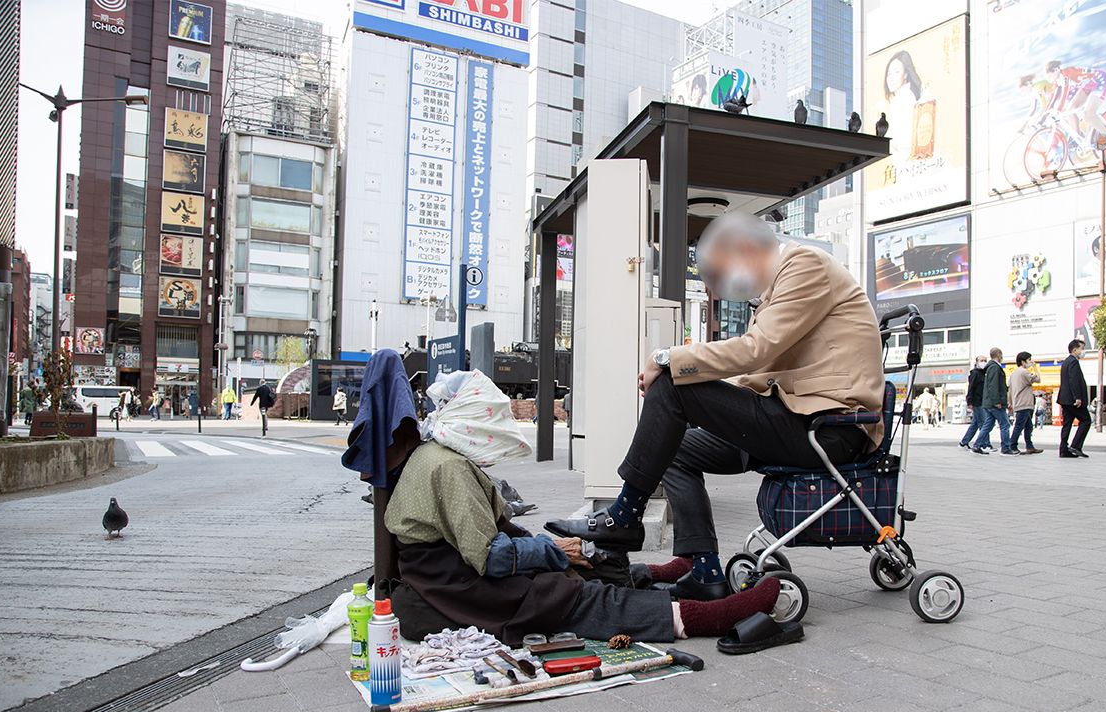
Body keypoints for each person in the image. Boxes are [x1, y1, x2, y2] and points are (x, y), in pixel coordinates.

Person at [545, 212, 884, 601]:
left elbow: (756, 351)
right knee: (675, 446)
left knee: (673, 383)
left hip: (829, 428)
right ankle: (703, 571)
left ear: (746, 249)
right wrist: (702, 400)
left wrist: (668, 358)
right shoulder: (777, 288)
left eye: (723, 274)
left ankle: (622, 518)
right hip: (796, 419)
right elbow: (754, 373)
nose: (724, 287)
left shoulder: (805, 266)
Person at [385, 371, 781, 646]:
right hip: (456, 584)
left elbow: (497, 536)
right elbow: (489, 557)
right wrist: (553, 550)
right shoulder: (448, 467)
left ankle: (655, 574)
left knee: (578, 565)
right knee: (568, 596)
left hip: (452, 571)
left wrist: (557, 549)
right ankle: (707, 617)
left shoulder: (440, 456)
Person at [973, 348, 1014, 455]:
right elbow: (993, 386)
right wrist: (997, 401)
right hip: (994, 403)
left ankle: (977, 445)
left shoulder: (991, 368)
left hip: (988, 402)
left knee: (988, 425)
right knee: (1005, 424)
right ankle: (1005, 448)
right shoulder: (994, 368)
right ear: (999, 355)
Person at [1058, 339, 1091, 458]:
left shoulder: (1066, 362)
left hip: (1065, 399)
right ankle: (1075, 446)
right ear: (1074, 350)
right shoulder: (1073, 362)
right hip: (1072, 400)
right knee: (1086, 420)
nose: (1083, 351)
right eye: (1081, 348)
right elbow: (1073, 381)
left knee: (1067, 424)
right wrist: (1077, 397)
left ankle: (1063, 449)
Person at [1008, 352, 1043, 454]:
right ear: (1023, 361)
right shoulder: (1024, 372)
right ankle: (1012, 446)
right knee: (1019, 426)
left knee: (1028, 426)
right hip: (1024, 403)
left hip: (1018, 403)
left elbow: (1009, 390)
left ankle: (1029, 446)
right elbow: (1038, 379)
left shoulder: (1013, 374)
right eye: (1029, 360)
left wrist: (1010, 403)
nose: (1030, 362)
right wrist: (1035, 367)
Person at [959, 356, 990, 450]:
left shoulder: (984, 373)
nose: (983, 362)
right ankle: (985, 444)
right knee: (984, 423)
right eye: (981, 361)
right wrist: (969, 401)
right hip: (977, 402)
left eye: (985, 361)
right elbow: (971, 388)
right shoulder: (975, 374)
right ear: (976, 362)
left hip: (982, 401)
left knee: (975, 424)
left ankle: (964, 442)